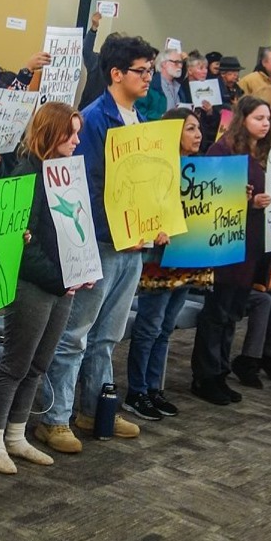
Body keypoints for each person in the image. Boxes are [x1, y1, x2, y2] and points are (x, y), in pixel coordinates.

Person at [37, 35, 163, 449]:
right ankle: (55, 418)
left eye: (150, 70)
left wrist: (155, 221)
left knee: (107, 336)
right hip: (102, 243)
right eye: (141, 70)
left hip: (133, 243)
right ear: (116, 73)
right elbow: (85, 189)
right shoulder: (94, 119)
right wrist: (118, 232)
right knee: (75, 334)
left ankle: (95, 409)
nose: (148, 77)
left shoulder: (139, 119)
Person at [0, 103, 89, 471]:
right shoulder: (26, 173)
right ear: (50, 133)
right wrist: (61, 279)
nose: (76, 140)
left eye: (77, 133)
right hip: (34, 283)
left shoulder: (65, 172)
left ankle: (16, 435)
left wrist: (81, 269)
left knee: (38, 364)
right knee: (16, 364)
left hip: (61, 282)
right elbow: (23, 248)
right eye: (69, 133)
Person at [191, 96, 271, 403]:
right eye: (258, 118)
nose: (265, 124)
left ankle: (221, 373)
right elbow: (208, 197)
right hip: (224, 242)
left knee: (232, 313)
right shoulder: (223, 149)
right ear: (243, 119)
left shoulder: (264, 153)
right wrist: (248, 202)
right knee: (217, 312)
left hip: (252, 242)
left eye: (268, 119)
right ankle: (205, 377)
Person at [124, 107, 205, 420]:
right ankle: (136, 391)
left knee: (166, 327)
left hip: (186, 256)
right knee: (150, 326)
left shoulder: (200, 169)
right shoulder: (157, 168)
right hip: (159, 258)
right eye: (190, 128)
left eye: (198, 128)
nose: (197, 135)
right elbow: (141, 208)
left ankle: (153, 387)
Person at [135, 43, 188, 121]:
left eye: (181, 63)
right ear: (164, 64)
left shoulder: (179, 87)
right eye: (176, 62)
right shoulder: (150, 85)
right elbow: (139, 111)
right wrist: (160, 117)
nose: (180, 66)